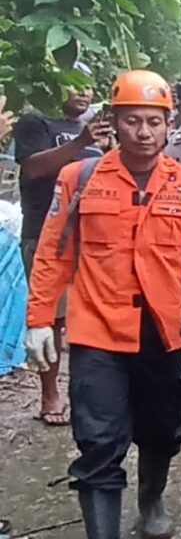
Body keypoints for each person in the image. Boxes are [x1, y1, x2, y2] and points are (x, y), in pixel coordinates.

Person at [24, 69, 181, 539]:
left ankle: (151, 500)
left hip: (165, 335)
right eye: (132, 120)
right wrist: (40, 318)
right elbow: (54, 253)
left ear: (167, 125)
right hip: (98, 333)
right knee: (98, 443)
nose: (143, 132)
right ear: (113, 122)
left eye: (154, 122)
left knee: (161, 431)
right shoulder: (79, 180)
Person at [13, 65, 105, 426]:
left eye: (88, 87)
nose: (82, 93)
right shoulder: (37, 122)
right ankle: (50, 395)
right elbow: (33, 169)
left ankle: (88, 393)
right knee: (49, 317)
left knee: (85, 315)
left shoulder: (98, 130)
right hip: (46, 233)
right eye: (75, 86)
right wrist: (81, 143)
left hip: (94, 236)